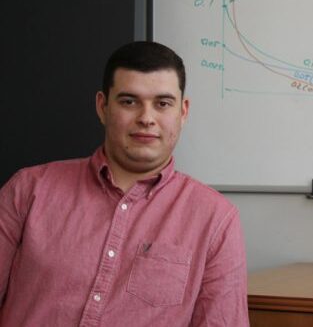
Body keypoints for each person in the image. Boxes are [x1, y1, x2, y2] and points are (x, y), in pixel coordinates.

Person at [0, 41, 249, 326]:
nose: (146, 118)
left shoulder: (216, 220)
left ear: (183, 111)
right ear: (102, 107)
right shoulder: (28, 190)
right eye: (129, 101)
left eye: (162, 104)